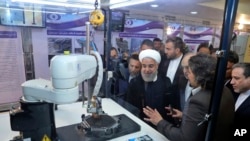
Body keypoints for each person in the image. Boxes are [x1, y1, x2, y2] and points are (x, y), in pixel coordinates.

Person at [143, 54, 235, 141]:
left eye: (189, 72)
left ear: (200, 75)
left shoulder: (198, 101)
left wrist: (159, 122)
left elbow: (184, 138)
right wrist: (185, 116)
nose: (187, 75)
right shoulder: (225, 90)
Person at [125, 49, 173, 124]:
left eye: (151, 66)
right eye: (144, 66)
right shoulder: (134, 83)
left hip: (160, 126)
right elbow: (129, 106)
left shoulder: (166, 82)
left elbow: (169, 108)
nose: (147, 70)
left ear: (157, 66)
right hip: (139, 124)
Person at [159, 36, 186, 110]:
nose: (165, 51)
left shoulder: (186, 62)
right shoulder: (163, 59)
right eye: (165, 48)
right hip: (163, 101)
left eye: (168, 49)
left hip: (178, 104)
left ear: (177, 50)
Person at [231, 63, 250, 141]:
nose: (232, 82)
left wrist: (231, 133)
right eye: (232, 78)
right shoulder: (231, 92)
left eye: (237, 78)